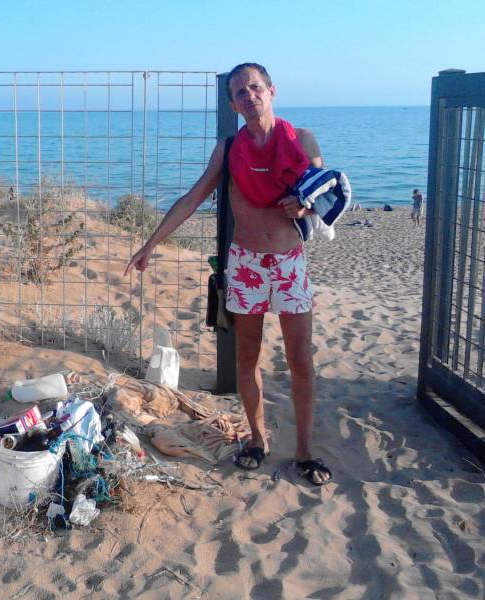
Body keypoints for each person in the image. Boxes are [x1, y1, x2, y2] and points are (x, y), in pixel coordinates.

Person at [124, 63, 331, 485]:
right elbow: (191, 198)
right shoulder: (229, 148)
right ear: (233, 104)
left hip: (290, 262)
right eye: (240, 92)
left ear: (271, 90)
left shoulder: (302, 140)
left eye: (255, 87)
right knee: (247, 357)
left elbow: (323, 196)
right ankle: (257, 440)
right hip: (246, 265)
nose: (249, 95)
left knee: (300, 360)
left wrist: (305, 207)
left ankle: (306, 452)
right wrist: (150, 244)